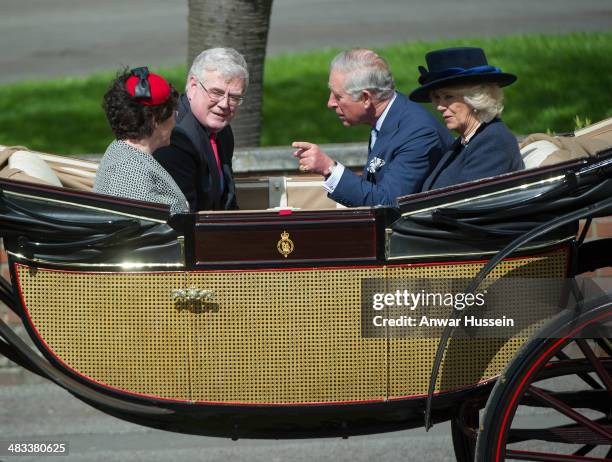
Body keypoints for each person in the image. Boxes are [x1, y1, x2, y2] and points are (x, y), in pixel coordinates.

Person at [291, 48, 453, 207]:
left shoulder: (417, 133)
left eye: (338, 96)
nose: (330, 103)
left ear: (366, 98)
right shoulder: (387, 117)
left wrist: (329, 168)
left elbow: (388, 203)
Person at [409, 47, 524, 191]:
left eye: (448, 97)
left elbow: (469, 202)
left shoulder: (494, 140)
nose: (439, 107)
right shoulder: (465, 141)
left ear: (475, 98)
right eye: (437, 98)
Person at [153, 48, 248, 211]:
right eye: (216, 93)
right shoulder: (175, 136)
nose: (224, 104)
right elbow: (187, 219)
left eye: (234, 97)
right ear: (193, 86)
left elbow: (227, 200)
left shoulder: (222, 130)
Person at [93, 67, 189, 214]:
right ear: (155, 120)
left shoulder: (122, 150)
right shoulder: (130, 175)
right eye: (173, 114)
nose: (175, 122)